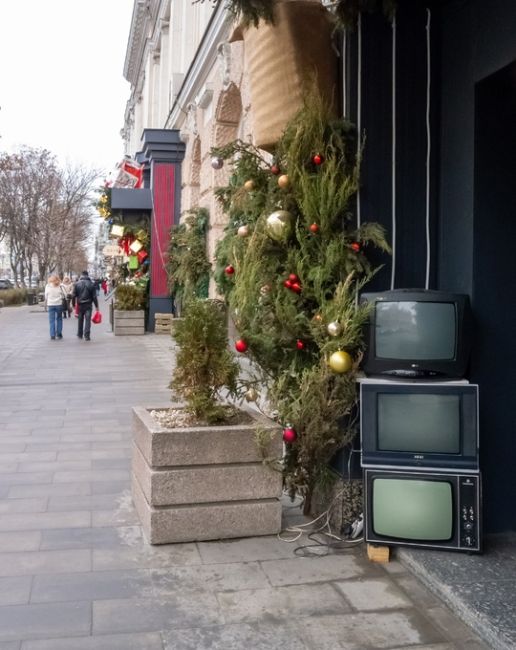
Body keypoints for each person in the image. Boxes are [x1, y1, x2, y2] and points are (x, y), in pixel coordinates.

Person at [72, 270, 99, 341]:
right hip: (88, 305)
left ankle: (80, 334)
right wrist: (97, 306)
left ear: (82, 275)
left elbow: (73, 295)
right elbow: (94, 297)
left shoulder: (77, 284)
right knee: (88, 320)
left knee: (80, 319)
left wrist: (73, 305)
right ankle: (87, 335)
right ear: (87, 275)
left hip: (80, 305)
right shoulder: (91, 284)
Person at [44, 274, 66, 340]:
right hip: (59, 304)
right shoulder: (61, 286)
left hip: (50, 305)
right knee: (59, 319)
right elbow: (65, 295)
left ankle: (52, 335)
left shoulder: (47, 286)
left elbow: (46, 296)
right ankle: (59, 334)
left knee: (51, 320)